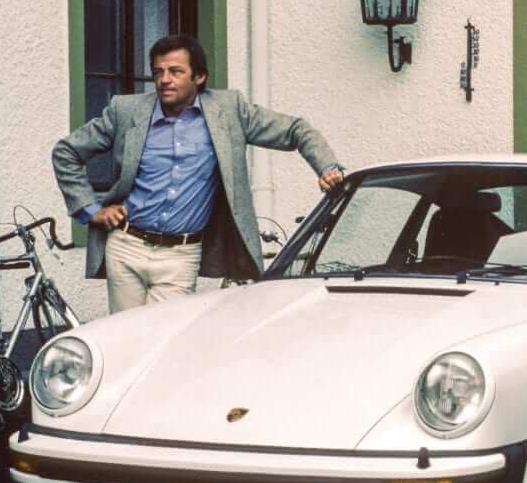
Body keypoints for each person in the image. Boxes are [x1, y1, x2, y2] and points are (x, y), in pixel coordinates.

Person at [52, 34, 343, 312]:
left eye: (176, 71)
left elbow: (295, 130)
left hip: (180, 254)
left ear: (199, 77)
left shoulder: (229, 111)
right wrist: (91, 210)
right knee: (123, 337)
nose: (164, 80)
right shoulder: (126, 110)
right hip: (126, 247)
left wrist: (327, 167)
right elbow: (67, 152)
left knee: (164, 339)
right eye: (158, 72)